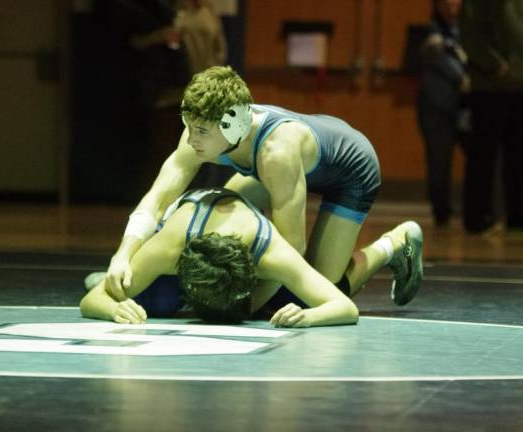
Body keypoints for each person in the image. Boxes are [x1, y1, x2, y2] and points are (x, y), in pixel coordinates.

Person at [97, 65, 421, 306]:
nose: (191, 140)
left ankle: (393, 243)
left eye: (201, 133)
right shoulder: (204, 128)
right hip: (280, 168)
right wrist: (124, 257)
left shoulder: (276, 153)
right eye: (189, 127)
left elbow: (291, 251)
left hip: (351, 171)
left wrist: (240, 304)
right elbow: (156, 198)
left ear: (233, 123)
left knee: (319, 290)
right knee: (218, 230)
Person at [80, 188, 423, 326]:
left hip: (251, 252)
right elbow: (90, 301)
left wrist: (308, 317)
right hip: (183, 239)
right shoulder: (170, 247)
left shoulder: (269, 253)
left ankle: (393, 243)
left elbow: (344, 309)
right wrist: (113, 307)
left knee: (322, 291)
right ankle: (125, 276)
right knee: (155, 304)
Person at [460, 0, 523, 233]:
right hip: (490, 86)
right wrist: (495, 65)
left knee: (518, 157)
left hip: (519, 86)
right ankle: (477, 216)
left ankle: (517, 215)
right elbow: (470, 34)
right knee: (482, 156)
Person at [417, 0, 470, 226]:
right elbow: (440, 59)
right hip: (436, 107)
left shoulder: (467, 30)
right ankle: (442, 214)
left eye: (456, 3)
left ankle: (476, 210)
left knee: (479, 157)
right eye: (447, 3)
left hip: (465, 105)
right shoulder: (431, 32)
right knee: (439, 162)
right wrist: (463, 78)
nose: (452, 8)